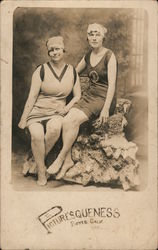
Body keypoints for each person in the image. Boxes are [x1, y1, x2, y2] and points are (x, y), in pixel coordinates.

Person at [47, 23, 117, 179]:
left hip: (104, 98)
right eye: (91, 34)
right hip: (89, 95)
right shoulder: (87, 56)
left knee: (73, 121)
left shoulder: (109, 56)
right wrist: (55, 81)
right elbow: (72, 72)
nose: (94, 37)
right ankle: (68, 160)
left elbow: (112, 85)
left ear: (103, 37)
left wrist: (106, 109)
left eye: (97, 34)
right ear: (87, 37)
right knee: (66, 121)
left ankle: (60, 158)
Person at [18, 36, 81, 186]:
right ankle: (41, 171)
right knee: (36, 134)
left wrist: (66, 108)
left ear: (63, 50)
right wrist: (23, 118)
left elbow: (78, 95)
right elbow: (32, 96)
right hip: (37, 110)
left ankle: (35, 162)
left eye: (57, 49)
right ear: (48, 52)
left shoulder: (72, 71)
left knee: (55, 129)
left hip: (57, 112)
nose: (54, 52)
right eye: (51, 50)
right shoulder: (41, 70)